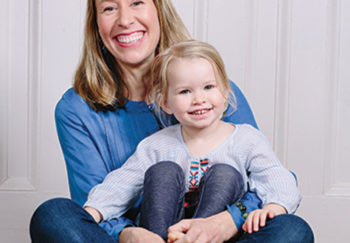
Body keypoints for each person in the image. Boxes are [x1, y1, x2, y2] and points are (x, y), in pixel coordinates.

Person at [29, 0, 314, 242]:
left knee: (292, 230)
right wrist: (128, 234)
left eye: (137, 2)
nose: (125, 19)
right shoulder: (80, 111)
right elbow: (104, 196)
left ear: (158, 10)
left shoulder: (216, 93)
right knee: (53, 214)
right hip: (141, 235)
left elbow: (272, 178)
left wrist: (225, 222)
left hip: (221, 236)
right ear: (96, 24)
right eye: (109, 8)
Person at [83, 40, 302, 242]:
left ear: (225, 91)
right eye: (185, 91)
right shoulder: (157, 145)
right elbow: (122, 183)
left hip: (218, 237)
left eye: (209, 87)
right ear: (165, 103)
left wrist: (276, 206)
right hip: (164, 234)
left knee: (227, 175)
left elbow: (276, 176)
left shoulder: (246, 139)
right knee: (163, 171)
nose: (199, 99)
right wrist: (93, 211)